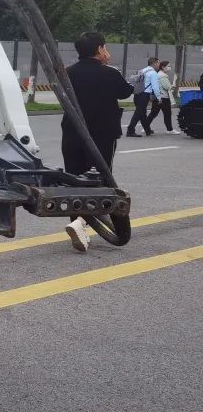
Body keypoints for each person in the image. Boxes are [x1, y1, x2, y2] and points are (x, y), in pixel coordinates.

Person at [60, 32, 134, 252]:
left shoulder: (68, 73)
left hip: (73, 133)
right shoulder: (109, 73)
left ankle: (78, 222)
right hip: (102, 134)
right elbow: (126, 91)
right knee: (101, 179)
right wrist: (108, 65)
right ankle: (83, 223)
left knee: (75, 179)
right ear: (100, 49)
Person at [125, 57, 161, 137]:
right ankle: (130, 130)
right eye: (158, 63)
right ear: (154, 63)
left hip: (137, 93)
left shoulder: (142, 70)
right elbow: (155, 87)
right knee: (138, 113)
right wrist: (158, 97)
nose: (159, 65)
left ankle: (147, 130)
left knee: (142, 113)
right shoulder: (153, 73)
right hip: (144, 94)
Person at [146, 61, 178, 134]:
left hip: (158, 97)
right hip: (163, 97)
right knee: (167, 113)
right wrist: (173, 85)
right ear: (163, 67)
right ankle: (169, 130)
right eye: (168, 66)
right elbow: (167, 87)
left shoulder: (159, 74)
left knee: (154, 113)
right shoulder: (162, 76)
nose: (169, 68)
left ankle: (146, 125)